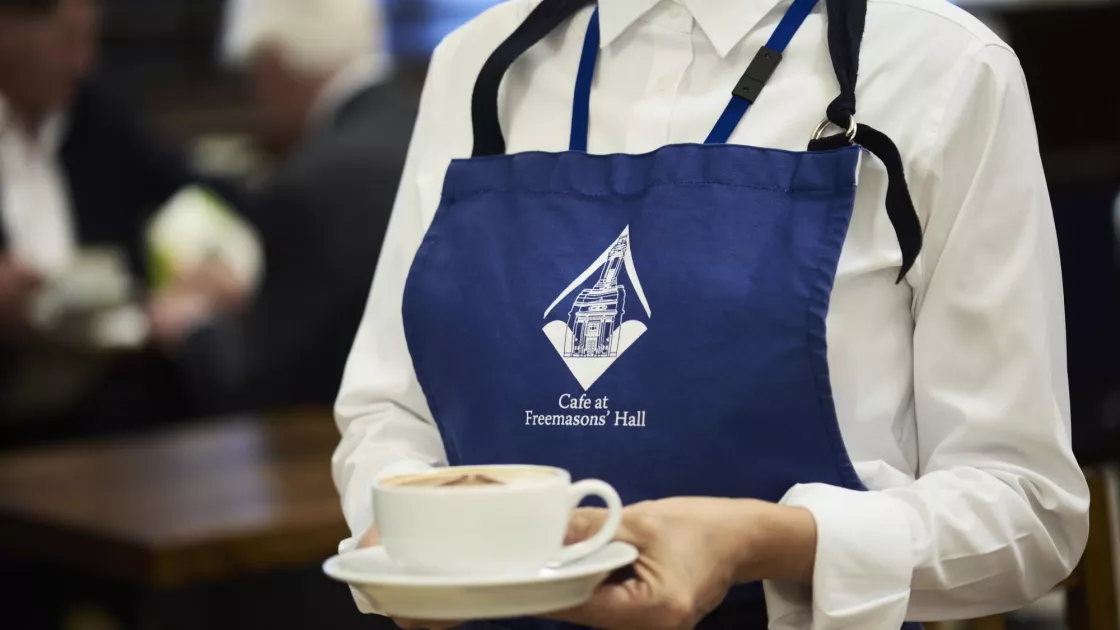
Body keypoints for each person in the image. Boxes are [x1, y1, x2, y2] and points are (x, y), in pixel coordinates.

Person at [333, 0, 1090, 628]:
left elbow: (1026, 506)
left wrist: (767, 542)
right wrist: (417, 541)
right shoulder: (478, 64)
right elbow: (389, 410)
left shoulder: (941, 71)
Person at [147, 0, 417, 413]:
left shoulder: (313, 180)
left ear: (274, 60)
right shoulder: (426, 125)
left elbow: (258, 379)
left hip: (338, 446)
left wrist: (192, 325)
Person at [0, 0, 230, 447]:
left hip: (108, 411)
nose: (83, 62)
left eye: (90, 40)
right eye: (68, 40)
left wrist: (214, 266)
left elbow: (209, 196)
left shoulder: (98, 117)